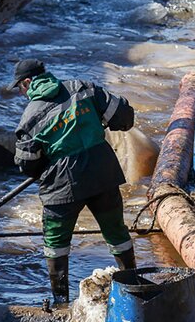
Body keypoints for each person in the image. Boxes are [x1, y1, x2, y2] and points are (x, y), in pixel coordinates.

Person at [8, 58, 136, 304]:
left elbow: (27, 165)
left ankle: (61, 301)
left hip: (61, 185)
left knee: (56, 243)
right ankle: (132, 287)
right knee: (116, 231)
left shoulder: (29, 118)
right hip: (103, 174)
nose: (22, 93)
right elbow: (124, 117)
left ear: (27, 83)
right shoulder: (83, 88)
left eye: (20, 88)